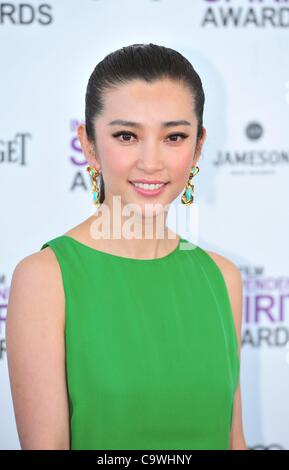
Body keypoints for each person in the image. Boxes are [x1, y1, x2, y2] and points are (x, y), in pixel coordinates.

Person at [5, 43, 247, 450]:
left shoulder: (222, 278)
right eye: (126, 135)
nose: (151, 162)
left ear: (199, 145)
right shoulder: (46, 279)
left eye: (174, 136)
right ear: (88, 144)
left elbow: (234, 441)